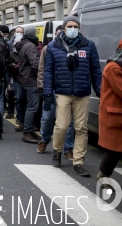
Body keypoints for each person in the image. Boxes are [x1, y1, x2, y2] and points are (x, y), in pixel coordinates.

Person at [44, 15, 101, 177]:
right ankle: (57, 151)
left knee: (81, 128)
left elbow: (96, 70)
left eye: (75, 27)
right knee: (61, 126)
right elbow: (48, 71)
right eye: (69, 26)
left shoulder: (88, 45)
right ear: (63, 28)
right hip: (62, 92)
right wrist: (48, 91)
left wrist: (100, 91)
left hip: (82, 93)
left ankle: (78, 162)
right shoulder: (54, 46)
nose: (72, 29)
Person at [37, 26, 75, 156]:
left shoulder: (73, 48)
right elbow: (42, 70)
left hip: (66, 89)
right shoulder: (48, 49)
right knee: (48, 118)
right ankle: (44, 139)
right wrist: (42, 88)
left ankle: (68, 148)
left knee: (69, 122)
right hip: (51, 89)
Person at [96, 37, 122, 183]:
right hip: (116, 115)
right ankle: (103, 176)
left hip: (118, 114)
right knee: (114, 150)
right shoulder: (114, 67)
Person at [15, 26, 41, 144]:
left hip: (26, 78)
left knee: (30, 105)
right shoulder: (30, 46)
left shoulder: (24, 44)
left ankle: (29, 130)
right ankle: (27, 132)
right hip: (31, 79)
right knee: (32, 106)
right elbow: (35, 63)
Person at [10, 26, 27, 131]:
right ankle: (20, 118)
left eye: (21, 32)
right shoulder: (9, 45)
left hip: (26, 77)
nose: (19, 33)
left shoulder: (27, 45)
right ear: (14, 33)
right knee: (19, 97)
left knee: (25, 99)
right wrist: (14, 66)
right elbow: (6, 60)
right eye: (18, 32)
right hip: (16, 77)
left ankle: (24, 120)